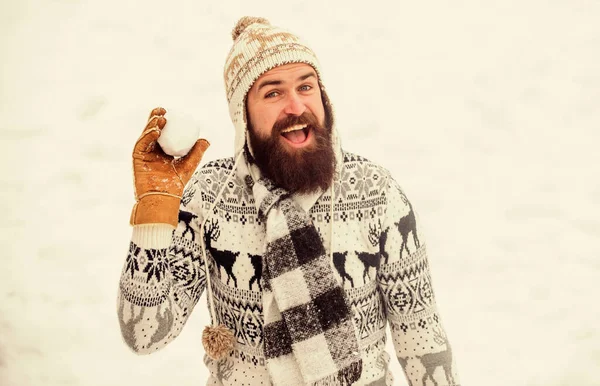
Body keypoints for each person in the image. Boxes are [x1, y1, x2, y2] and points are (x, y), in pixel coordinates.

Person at [117, 16, 461, 386]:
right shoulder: (211, 195)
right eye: (273, 92)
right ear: (242, 114)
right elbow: (145, 335)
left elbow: (421, 335)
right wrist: (154, 212)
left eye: (306, 86)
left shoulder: (375, 191)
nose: (296, 106)